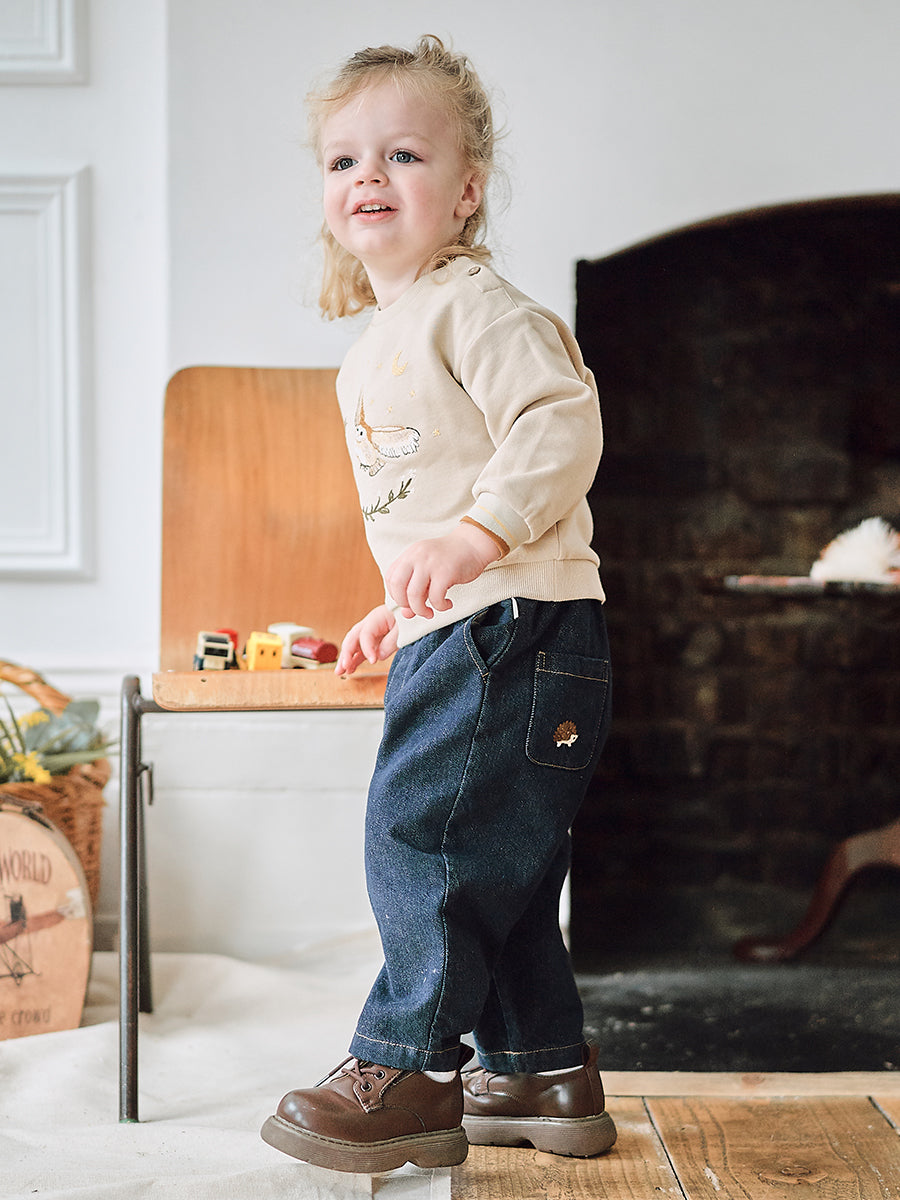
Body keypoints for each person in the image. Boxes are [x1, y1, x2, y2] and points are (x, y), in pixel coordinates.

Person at [261, 35, 616, 1175]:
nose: (369, 175)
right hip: (468, 623)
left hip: (513, 624)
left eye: (404, 154)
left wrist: (476, 537)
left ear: (466, 191)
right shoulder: (379, 341)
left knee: (424, 839)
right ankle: (538, 1069)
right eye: (344, 160)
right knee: (501, 860)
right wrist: (398, 605)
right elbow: (426, 499)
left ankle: (408, 1067)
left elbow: (558, 424)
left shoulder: (477, 308)